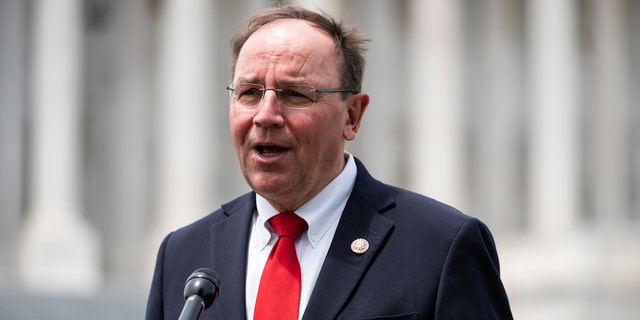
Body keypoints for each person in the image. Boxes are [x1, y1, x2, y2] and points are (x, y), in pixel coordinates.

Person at [146, 5, 513, 320]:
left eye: (295, 94)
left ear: (352, 116)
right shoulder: (182, 255)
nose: (265, 115)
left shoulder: (441, 246)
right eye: (249, 93)